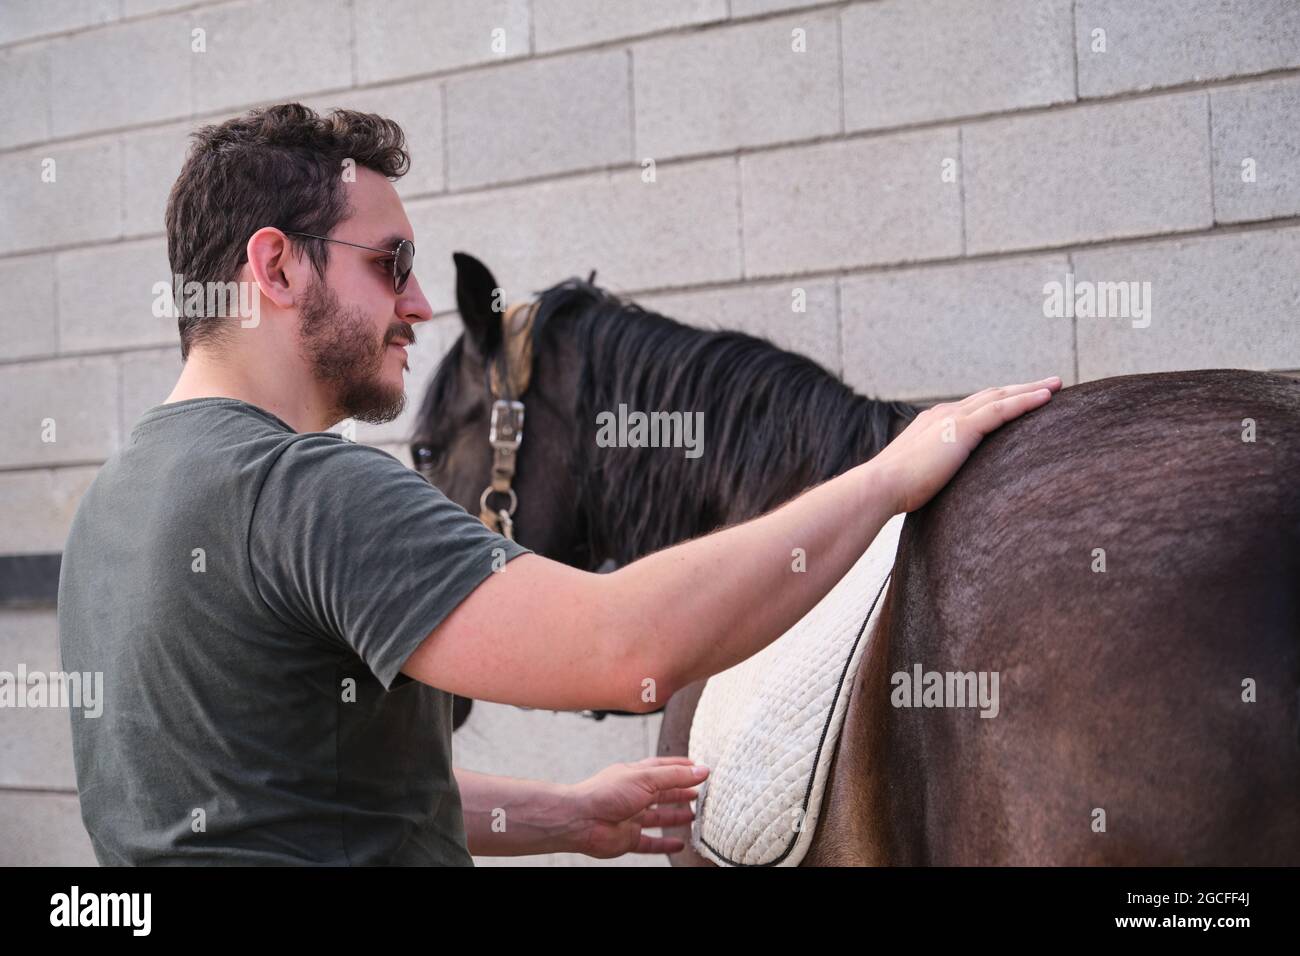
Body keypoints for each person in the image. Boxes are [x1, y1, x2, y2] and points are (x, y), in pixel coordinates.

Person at [57, 104, 1060, 866]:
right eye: (389, 262)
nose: (416, 305)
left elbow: (304, 794)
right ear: (275, 267)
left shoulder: (111, 508)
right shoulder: (307, 491)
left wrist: (570, 815)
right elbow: (623, 648)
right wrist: (886, 476)